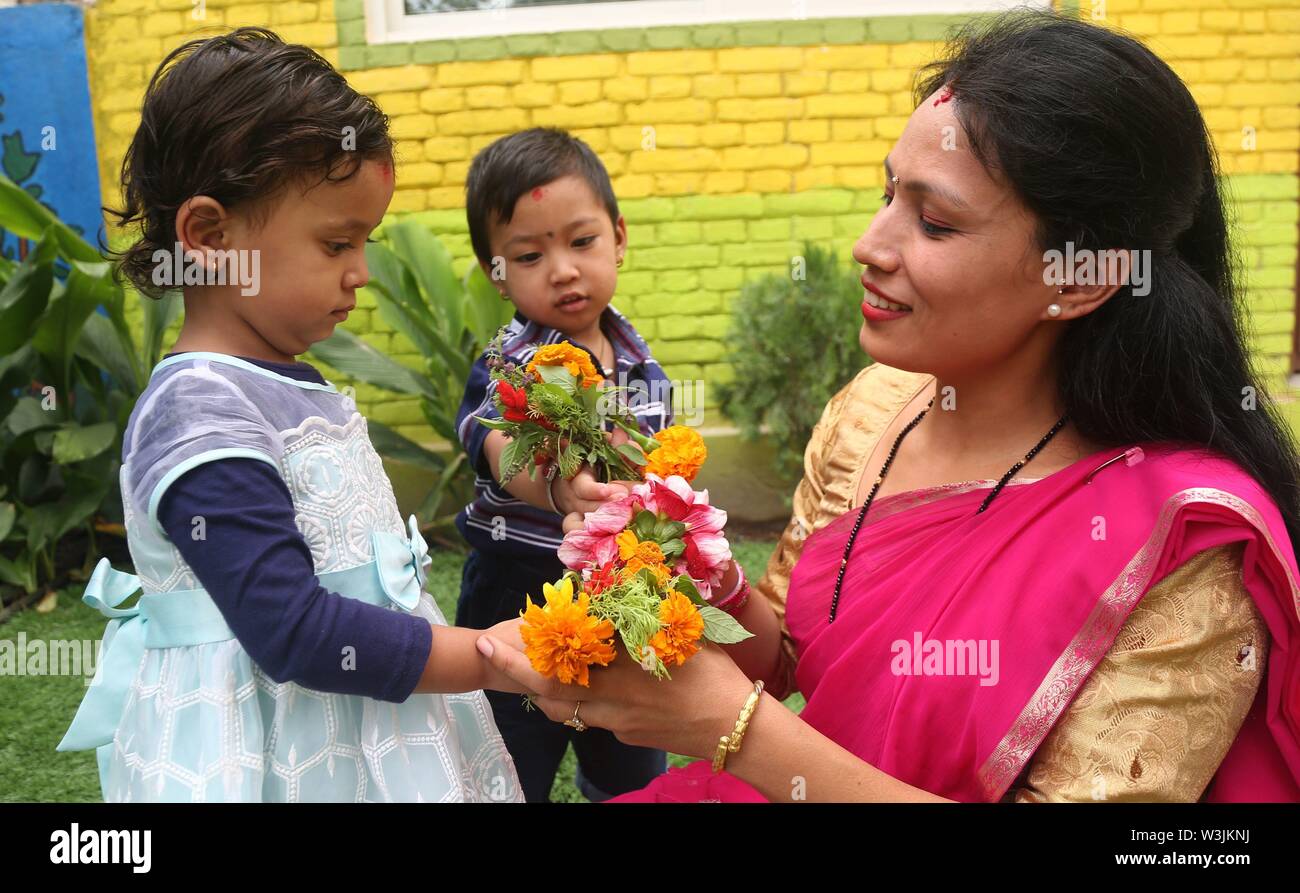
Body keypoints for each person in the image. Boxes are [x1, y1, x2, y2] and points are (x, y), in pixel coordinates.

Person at [474, 10, 1300, 802]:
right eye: (888, 193)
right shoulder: (876, 411)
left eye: (934, 223)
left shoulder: (1185, 546)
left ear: (1079, 276)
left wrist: (735, 731)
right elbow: (792, 662)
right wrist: (692, 560)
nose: (870, 245)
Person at [56, 28, 524, 802]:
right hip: (277, 756)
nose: (362, 272)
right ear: (211, 236)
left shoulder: (279, 379)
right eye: (338, 242)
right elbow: (293, 630)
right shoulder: (200, 410)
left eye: (365, 241)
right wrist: (482, 655)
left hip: (363, 730)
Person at [452, 127, 674, 801]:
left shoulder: (639, 362)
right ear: (497, 271)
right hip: (517, 588)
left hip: (616, 594)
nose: (564, 269)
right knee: (511, 759)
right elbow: (494, 443)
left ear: (619, 236)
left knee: (630, 750)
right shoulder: (512, 361)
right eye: (528, 253)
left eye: (582, 241)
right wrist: (555, 485)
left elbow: (658, 468)